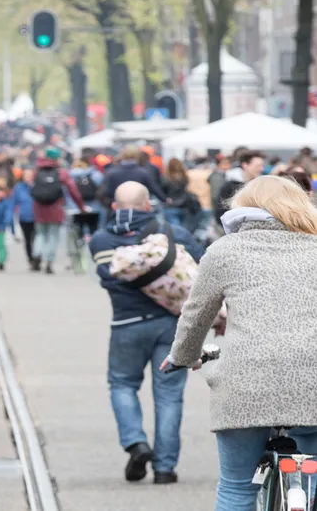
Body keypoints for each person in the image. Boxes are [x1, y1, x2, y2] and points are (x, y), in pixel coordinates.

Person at [164, 176, 317, 510]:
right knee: (314, 472)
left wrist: (182, 356)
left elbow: (196, 314)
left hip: (246, 381)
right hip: (313, 377)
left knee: (236, 487)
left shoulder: (224, 251)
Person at [88, 181, 204, 485]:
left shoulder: (101, 239)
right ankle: (165, 469)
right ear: (147, 205)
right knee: (169, 396)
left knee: (122, 384)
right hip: (171, 324)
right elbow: (202, 268)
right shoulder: (173, 233)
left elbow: (108, 277)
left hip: (126, 323)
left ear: (114, 207)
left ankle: (136, 443)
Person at [31, 148, 86, 274]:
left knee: (40, 234)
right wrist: (81, 206)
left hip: (39, 207)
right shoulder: (61, 172)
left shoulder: (37, 170)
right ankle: (49, 261)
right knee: (53, 235)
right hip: (55, 207)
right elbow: (73, 190)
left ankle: (37, 254)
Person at [100, 145, 169, 209]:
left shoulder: (112, 172)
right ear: (137, 156)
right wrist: (165, 199)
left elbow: (106, 192)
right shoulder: (143, 173)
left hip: (119, 207)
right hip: (138, 208)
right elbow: (154, 189)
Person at [214, 150, 264, 222]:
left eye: (262, 165)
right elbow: (220, 212)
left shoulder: (260, 185)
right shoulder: (229, 186)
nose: (261, 169)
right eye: (258, 166)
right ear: (245, 165)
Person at [12, 168, 37, 269]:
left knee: (36, 239)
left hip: (36, 217)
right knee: (27, 239)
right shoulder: (18, 188)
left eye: (30, 175)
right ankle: (30, 259)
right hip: (24, 217)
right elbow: (14, 202)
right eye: (26, 175)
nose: (28, 178)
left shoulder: (37, 187)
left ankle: (37, 258)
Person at [161, 159, 197, 228]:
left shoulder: (166, 178)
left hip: (170, 206)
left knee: (174, 230)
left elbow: (162, 191)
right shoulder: (185, 178)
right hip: (184, 206)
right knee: (183, 228)